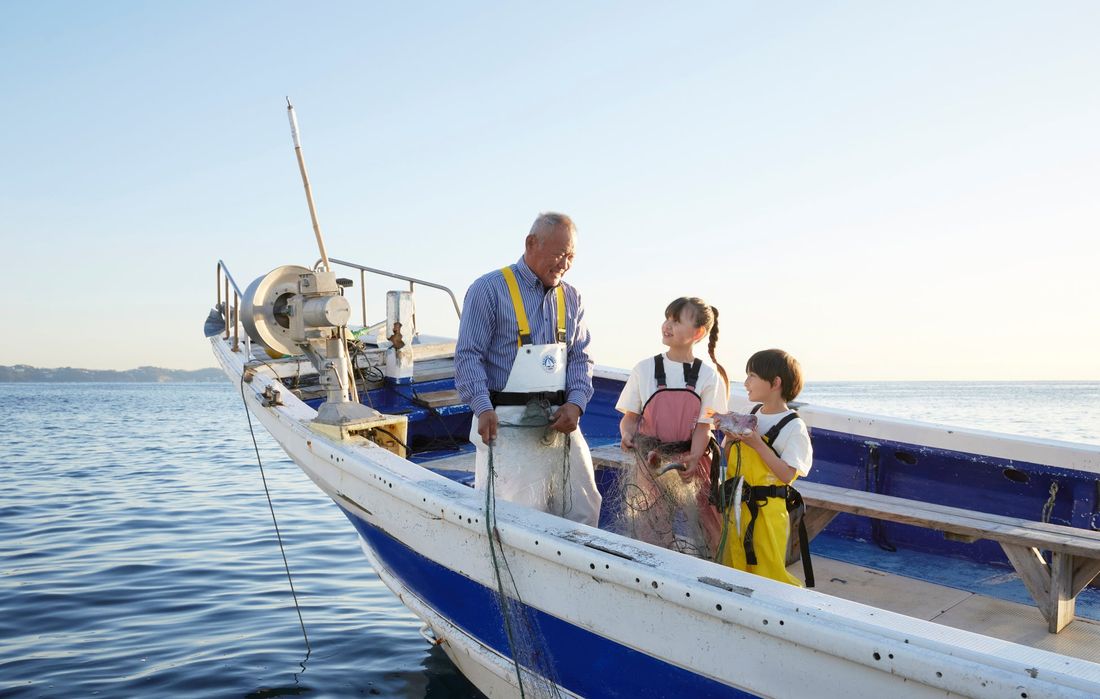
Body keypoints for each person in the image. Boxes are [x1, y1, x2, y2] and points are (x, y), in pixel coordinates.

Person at [454, 213, 601, 526]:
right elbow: (469, 356)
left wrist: (576, 404)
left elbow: (580, 357)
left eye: (571, 256)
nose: (565, 264)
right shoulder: (488, 289)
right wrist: (482, 408)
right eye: (560, 254)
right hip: (505, 423)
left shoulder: (572, 297)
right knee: (520, 515)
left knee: (584, 506)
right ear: (531, 244)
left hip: (559, 421)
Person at [614, 297, 728, 557]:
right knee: (651, 523)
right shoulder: (644, 369)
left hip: (694, 460)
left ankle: (711, 571)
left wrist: (695, 455)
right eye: (667, 318)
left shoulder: (708, 376)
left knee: (709, 525)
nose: (667, 325)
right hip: (652, 460)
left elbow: (704, 426)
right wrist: (627, 434)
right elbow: (630, 417)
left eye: (677, 321)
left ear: (698, 333)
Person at [718, 348, 813, 586]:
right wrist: (729, 439)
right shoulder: (748, 414)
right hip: (737, 506)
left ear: (775, 383)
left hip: (767, 513)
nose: (746, 382)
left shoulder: (794, 427)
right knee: (734, 566)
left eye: (752, 376)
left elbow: (786, 476)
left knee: (767, 572)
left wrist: (758, 444)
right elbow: (730, 459)